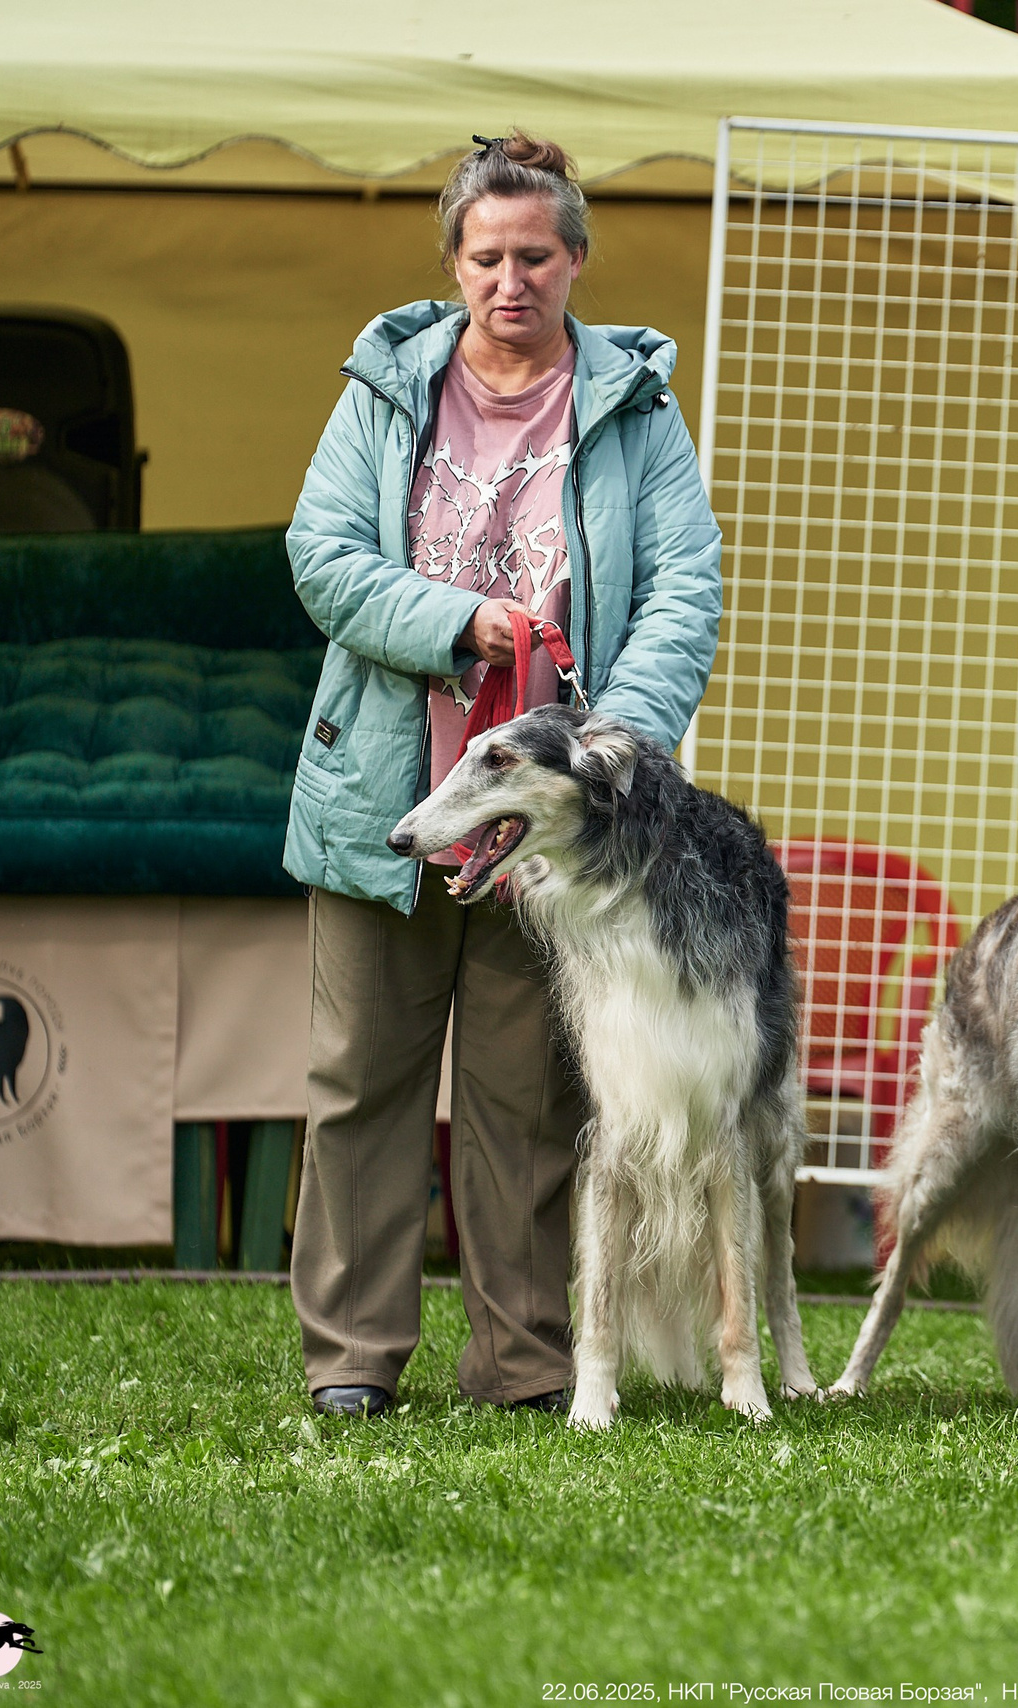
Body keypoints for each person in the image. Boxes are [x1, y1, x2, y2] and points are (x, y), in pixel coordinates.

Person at [282, 133, 722, 1418]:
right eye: (487, 257)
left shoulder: (637, 406)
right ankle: (353, 1363)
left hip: (558, 826)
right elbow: (320, 554)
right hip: (388, 791)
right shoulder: (382, 390)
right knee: (362, 1080)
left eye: (536, 256)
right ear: (454, 263)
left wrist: (608, 750)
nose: (511, 281)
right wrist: (453, 621)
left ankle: (524, 1364)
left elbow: (685, 590)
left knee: (528, 1098)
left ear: (576, 260)